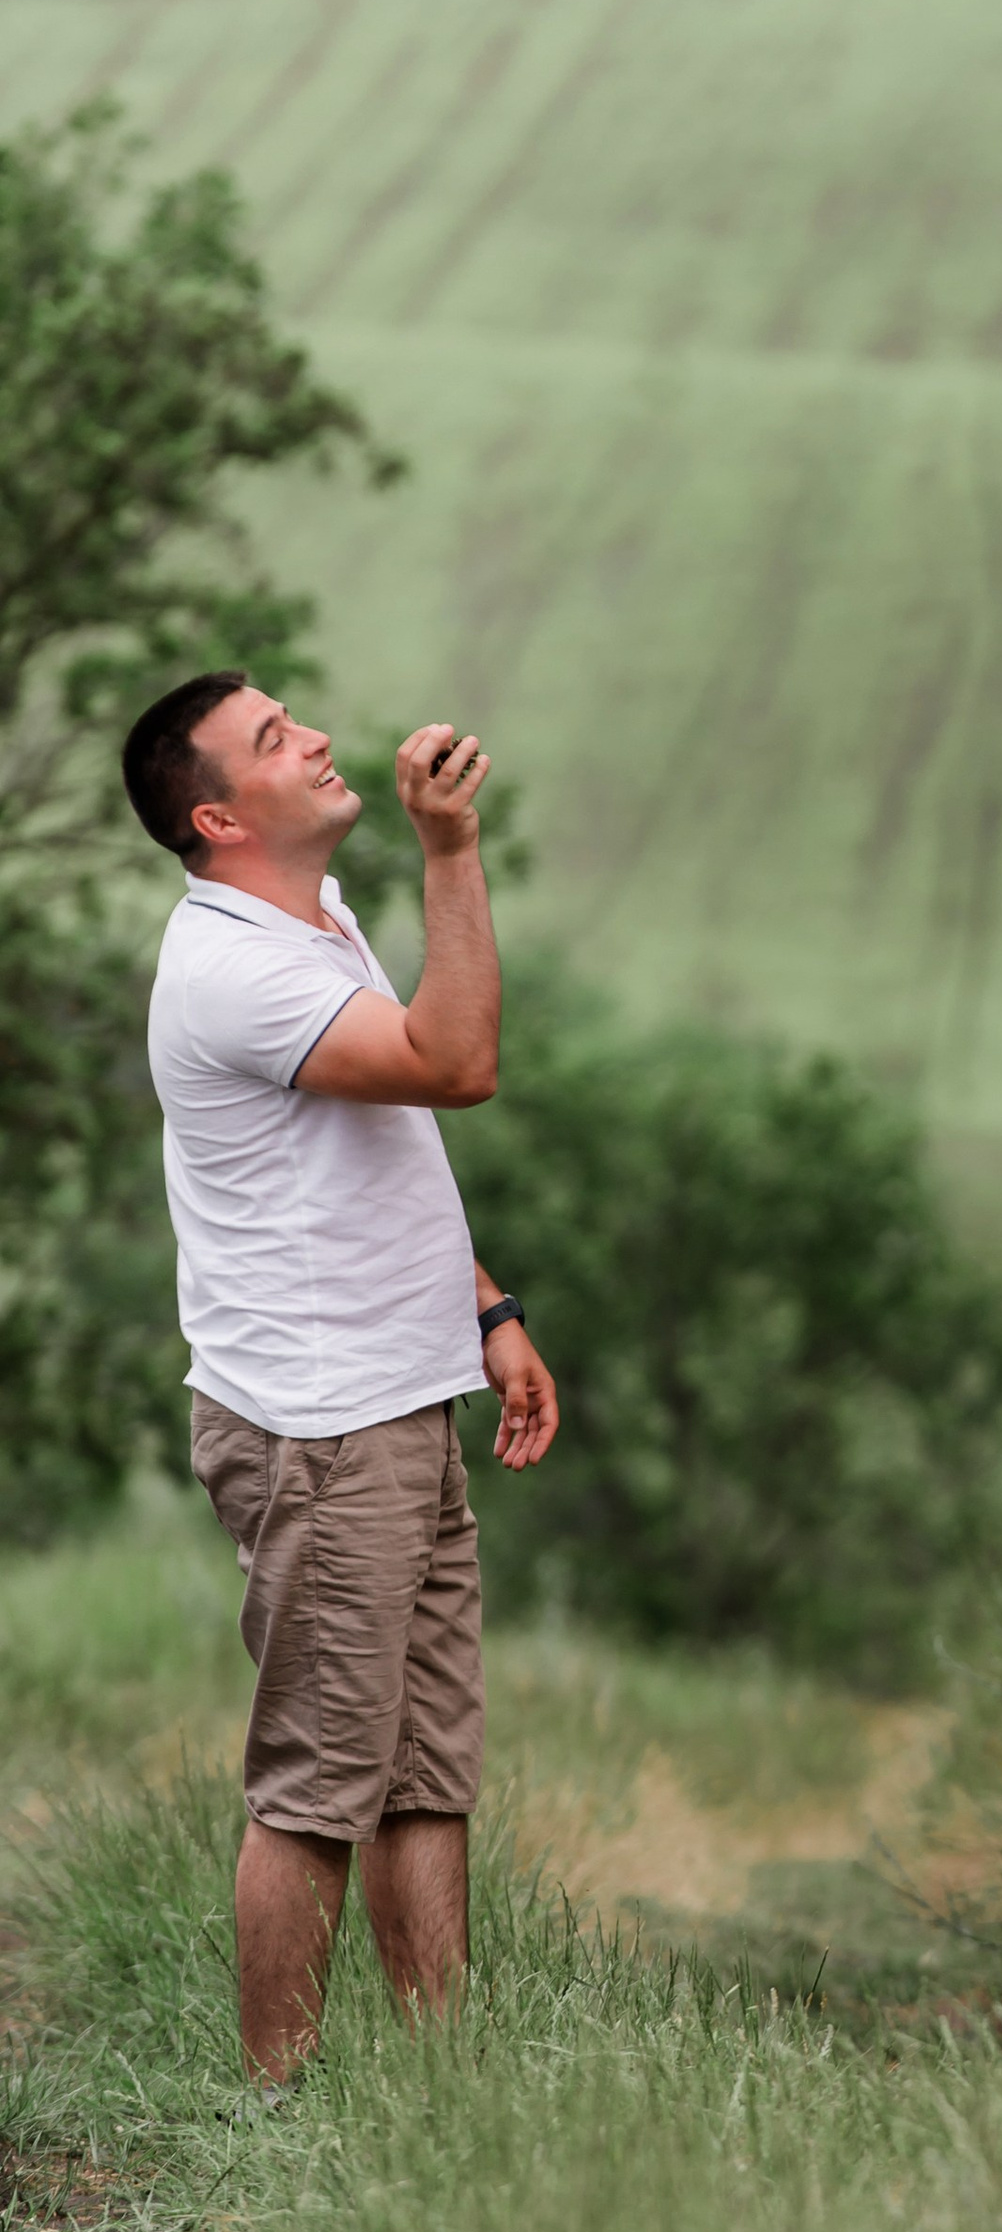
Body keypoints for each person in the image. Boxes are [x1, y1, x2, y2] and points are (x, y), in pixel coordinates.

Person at [119, 673, 559, 2089]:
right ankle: (277, 2109)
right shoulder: (235, 969)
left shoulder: (307, 921)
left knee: (426, 1775)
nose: (311, 738)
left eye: (291, 718)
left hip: (400, 1390)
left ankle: (439, 2087)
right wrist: (451, 851)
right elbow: (456, 1063)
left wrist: (483, 1304)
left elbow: (375, 1153)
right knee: (317, 1788)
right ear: (219, 817)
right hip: (320, 1425)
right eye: (271, 741)